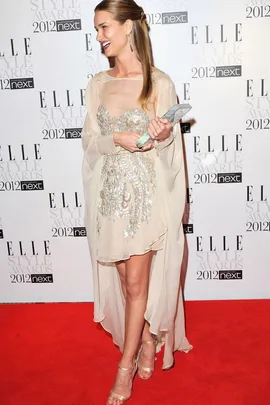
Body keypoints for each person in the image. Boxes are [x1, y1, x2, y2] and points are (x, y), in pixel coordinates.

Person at [81, 0, 193, 403]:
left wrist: (161, 135)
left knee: (136, 282)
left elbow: (170, 154)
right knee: (127, 287)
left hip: (146, 199)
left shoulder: (159, 82)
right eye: (96, 29)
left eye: (105, 27)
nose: (99, 36)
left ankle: (124, 367)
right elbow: (90, 143)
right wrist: (117, 139)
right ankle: (147, 338)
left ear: (129, 28)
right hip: (110, 200)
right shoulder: (97, 83)